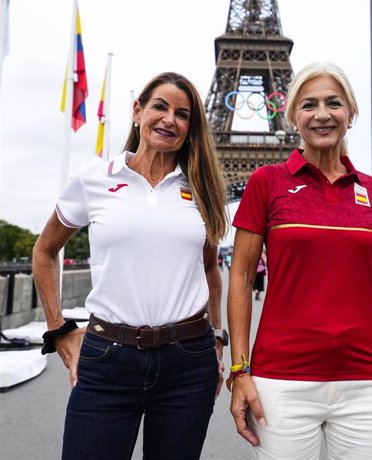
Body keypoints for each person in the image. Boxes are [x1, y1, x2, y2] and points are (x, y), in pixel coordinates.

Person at [32, 72, 229, 459]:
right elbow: (44, 250)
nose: (169, 119)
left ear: (191, 129)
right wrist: (58, 330)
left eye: (182, 113)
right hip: (108, 358)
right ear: (138, 112)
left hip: (187, 361)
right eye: (160, 106)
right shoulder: (94, 179)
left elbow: (210, 269)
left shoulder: (201, 190)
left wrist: (218, 340)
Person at [227, 62, 372, 459]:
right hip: (282, 380)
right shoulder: (267, 182)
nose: (322, 114)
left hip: (368, 380)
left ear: (350, 113)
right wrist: (239, 370)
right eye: (309, 105)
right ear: (294, 115)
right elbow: (241, 277)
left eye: (334, 103)